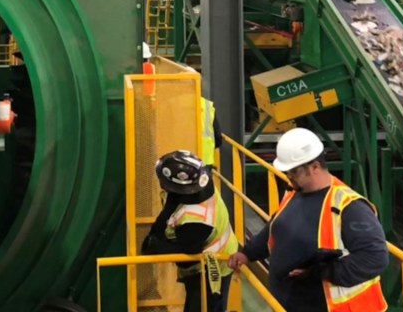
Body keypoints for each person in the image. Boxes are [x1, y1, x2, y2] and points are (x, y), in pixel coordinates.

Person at [228, 129, 389, 312]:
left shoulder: (349, 207)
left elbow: (375, 258)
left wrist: (322, 272)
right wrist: (248, 253)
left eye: (294, 171)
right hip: (286, 303)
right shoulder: (295, 192)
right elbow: (276, 228)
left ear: (315, 167)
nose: (289, 176)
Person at [143, 150, 238, 312]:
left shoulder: (195, 221)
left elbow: (186, 254)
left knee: (204, 306)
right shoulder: (201, 183)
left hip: (212, 267)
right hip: (214, 254)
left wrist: (156, 246)